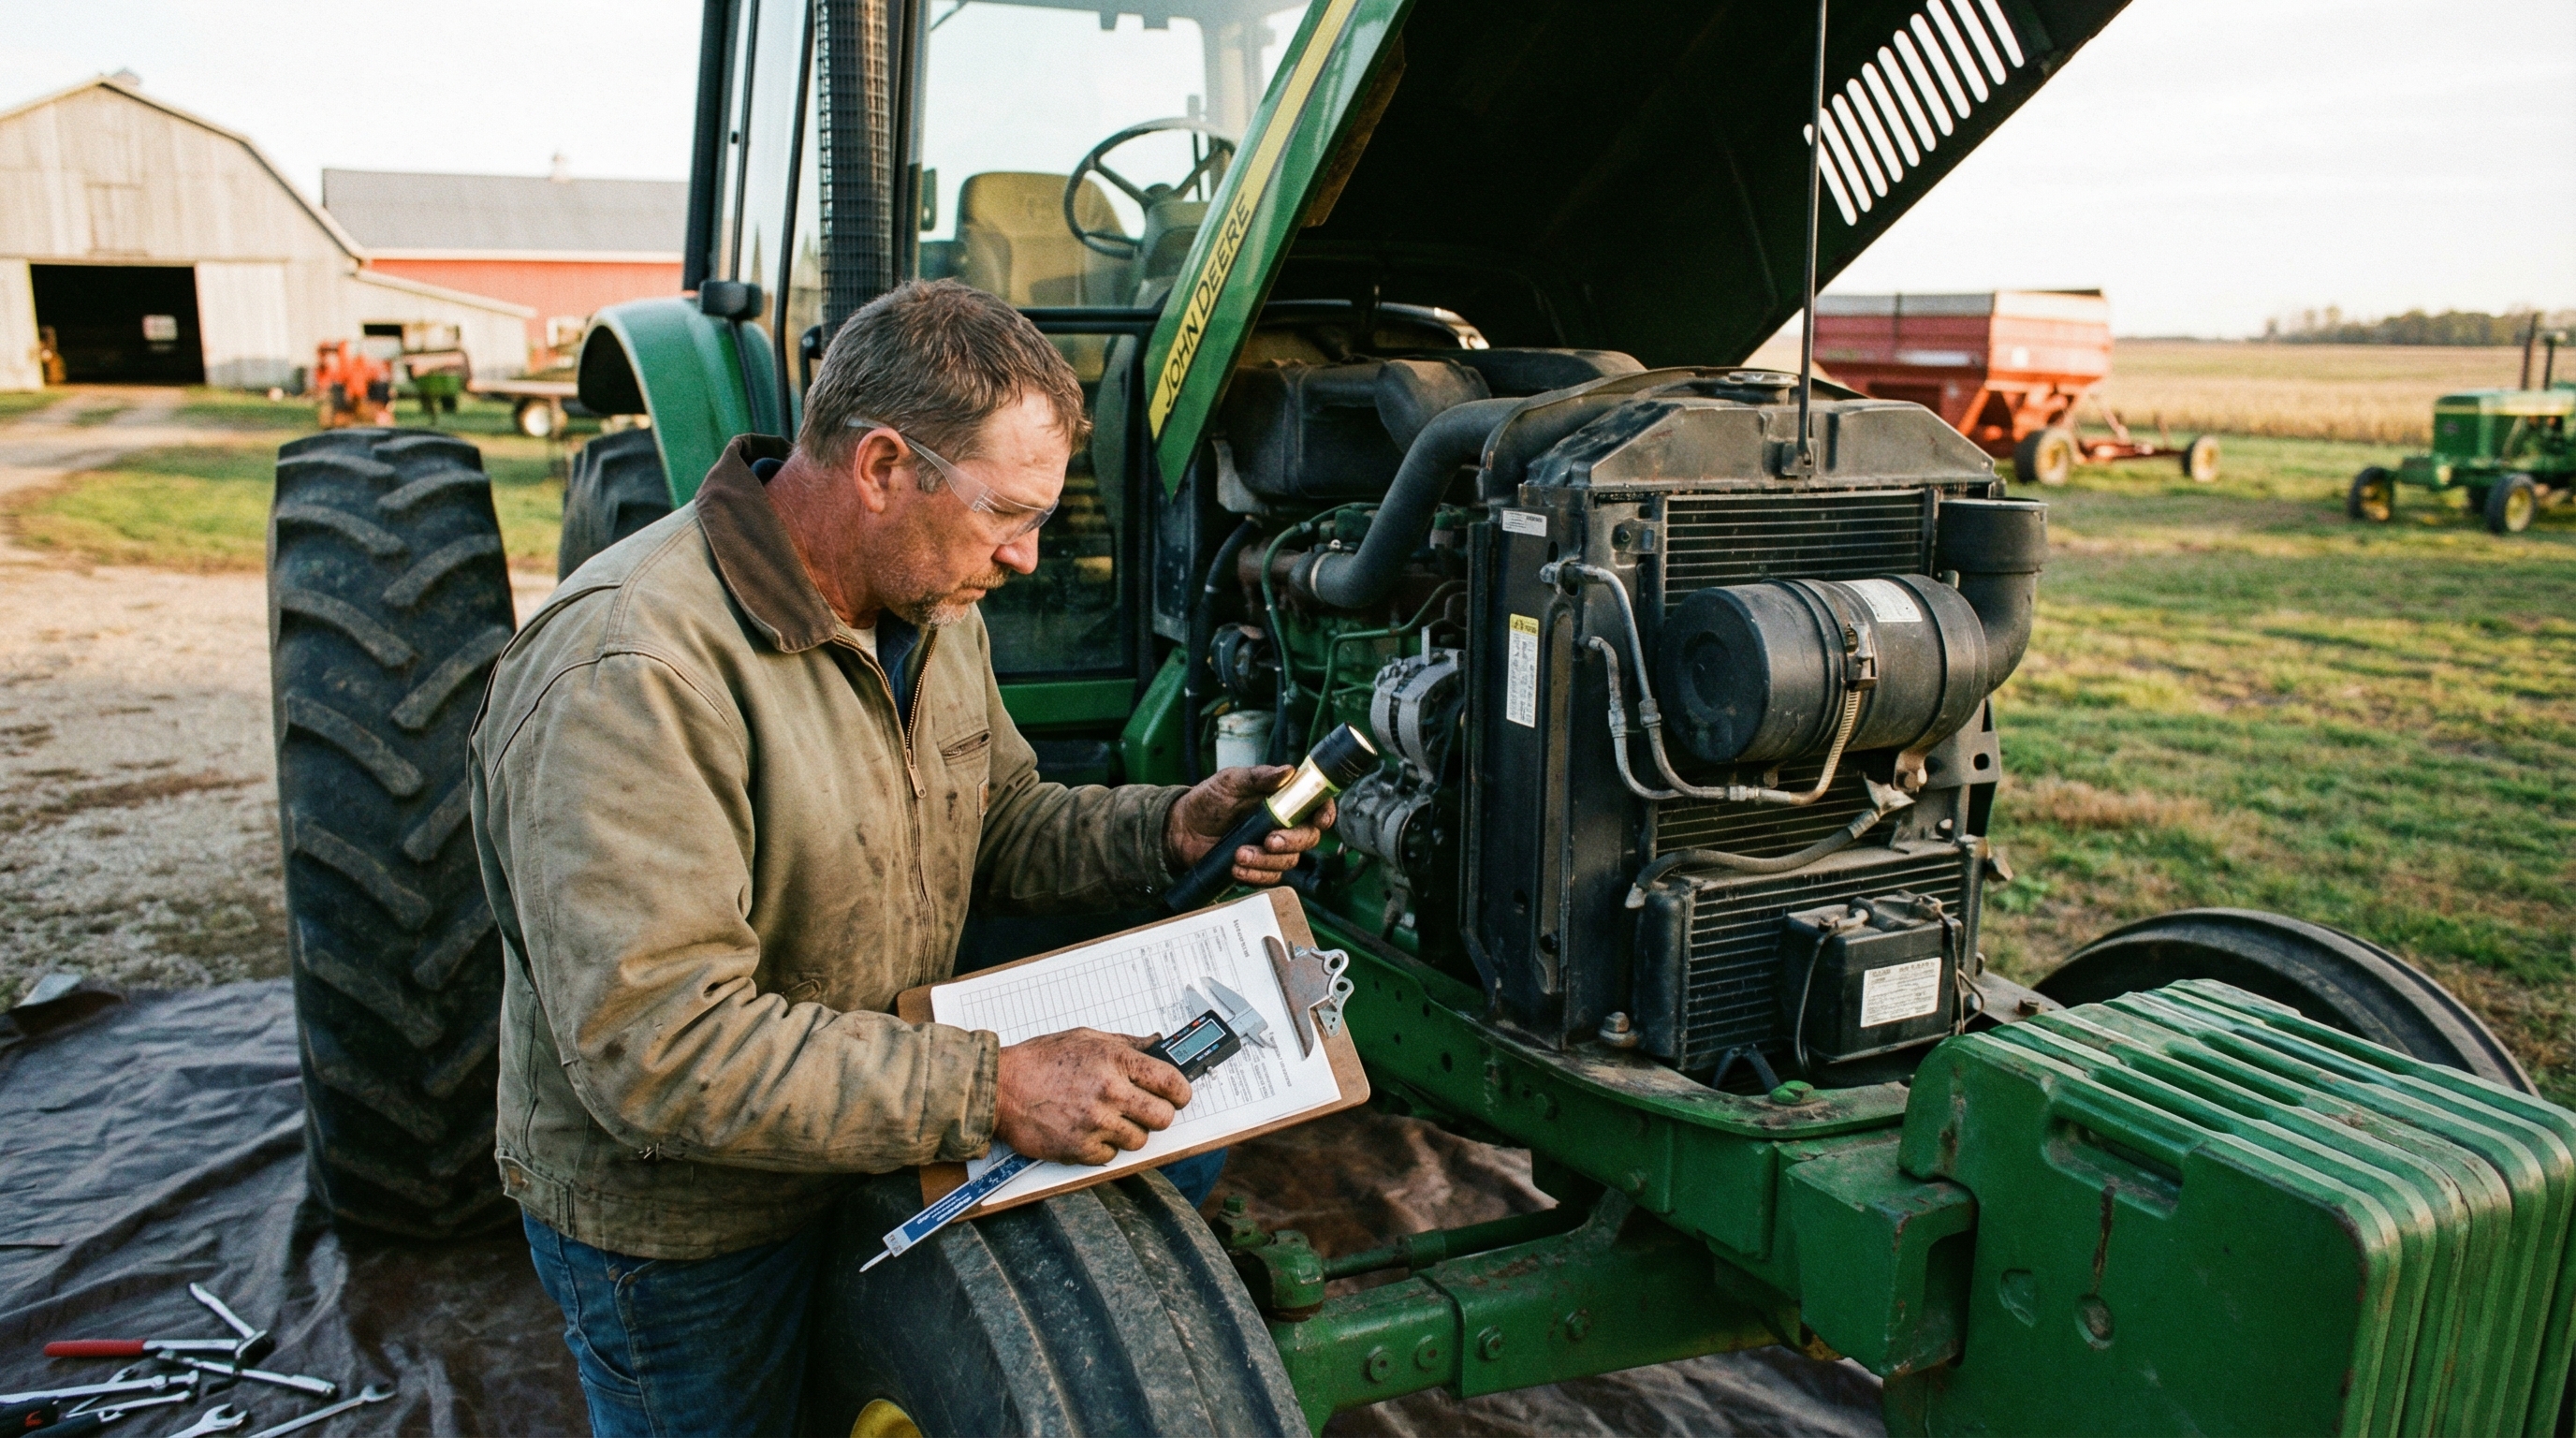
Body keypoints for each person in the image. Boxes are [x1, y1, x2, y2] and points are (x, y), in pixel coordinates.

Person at [467, 278, 1332, 1436]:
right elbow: (658, 1050)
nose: (1026, 558)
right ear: (882, 469)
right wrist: (996, 1084)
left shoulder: (926, 606)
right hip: (691, 1230)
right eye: (1008, 516)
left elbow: (1000, 817)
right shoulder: (631, 676)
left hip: (871, 1137)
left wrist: (1168, 825)